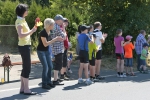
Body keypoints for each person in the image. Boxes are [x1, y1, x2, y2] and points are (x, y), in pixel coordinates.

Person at [15, 4, 37, 95]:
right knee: (27, 68)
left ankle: (23, 88)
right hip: (24, 46)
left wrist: (34, 29)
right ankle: (27, 89)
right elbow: (21, 35)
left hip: (25, 45)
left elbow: (27, 34)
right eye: (26, 10)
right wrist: (32, 31)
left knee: (25, 67)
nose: (27, 11)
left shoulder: (23, 20)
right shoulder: (19, 21)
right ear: (22, 12)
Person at [37, 18, 64, 89]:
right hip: (41, 51)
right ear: (49, 25)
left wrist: (58, 38)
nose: (54, 25)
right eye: (53, 24)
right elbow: (45, 44)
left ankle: (49, 82)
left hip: (46, 51)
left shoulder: (49, 32)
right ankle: (44, 83)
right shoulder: (43, 33)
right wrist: (55, 39)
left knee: (50, 66)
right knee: (45, 67)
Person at [50, 14, 66, 85]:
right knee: (59, 64)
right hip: (58, 47)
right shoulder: (57, 27)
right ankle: (55, 79)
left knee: (57, 63)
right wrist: (64, 29)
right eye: (62, 21)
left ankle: (56, 78)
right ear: (58, 20)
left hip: (54, 47)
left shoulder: (53, 26)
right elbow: (64, 37)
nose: (62, 22)